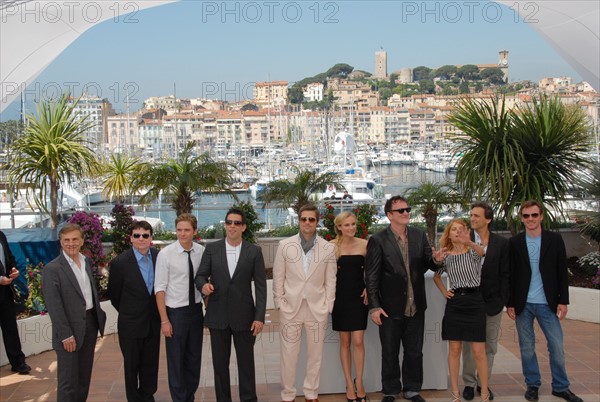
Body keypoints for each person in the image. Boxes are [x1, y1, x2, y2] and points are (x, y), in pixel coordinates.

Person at [364, 195, 443, 402]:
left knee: (415, 351)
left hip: (416, 306)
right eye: (401, 211)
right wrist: (374, 307)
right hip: (389, 308)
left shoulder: (419, 235)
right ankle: (390, 390)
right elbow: (371, 276)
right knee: (389, 352)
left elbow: (429, 263)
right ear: (390, 215)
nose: (406, 213)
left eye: (407, 209)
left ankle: (412, 389)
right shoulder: (378, 240)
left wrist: (436, 260)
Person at [507, 201, 583, 402]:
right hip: (523, 304)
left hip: (547, 303)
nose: (530, 219)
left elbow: (561, 271)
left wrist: (563, 301)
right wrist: (510, 303)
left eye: (533, 215)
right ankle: (532, 385)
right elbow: (510, 275)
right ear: (521, 218)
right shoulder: (515, 242)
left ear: (541, 216)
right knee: (526, 347)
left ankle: (561, 386)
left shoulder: (554, 240)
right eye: (526, 216)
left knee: (556, 345)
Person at [195, 207, 267, 402]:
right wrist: (204, 286)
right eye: (228, 222)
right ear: (225, 225)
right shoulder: (212, 249)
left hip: (245, 317)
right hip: (218, 316)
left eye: (236, 223)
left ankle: (249, 399)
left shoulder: (254, 251)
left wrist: (259, 317)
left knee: (246, 365)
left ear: (243, 227)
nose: (232, 226)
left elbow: (261, 287)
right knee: (220, 366)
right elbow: (200, 275)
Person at [273, 203, 337, 402]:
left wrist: (328, 305)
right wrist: (280, 303)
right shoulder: (285, 245)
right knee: (288, 356)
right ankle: (288, 395)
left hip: (317, 309)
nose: (307, 223)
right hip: (290, 309)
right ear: (299, 221)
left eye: (311, 219)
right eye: (304, 219)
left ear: (317, 222)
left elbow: (331, 280)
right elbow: (278, 277)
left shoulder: (328, 248)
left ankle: (311, 394)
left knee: (315, 356)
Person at [42, 223, 107, 402]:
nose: (71, 243)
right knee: (68, 381)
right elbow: (54, 305)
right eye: (66, 240)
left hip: (89, 324)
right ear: (61, 242)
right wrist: (65, 334)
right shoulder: (52, 269)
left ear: (82, 241)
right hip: (68, 330)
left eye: (74, 239)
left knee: (83, 378)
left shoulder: (86, 261)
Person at [433, 219, 489, 402]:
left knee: (479, 351)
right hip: (455, 303)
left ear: (466, 231)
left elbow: (482, 253)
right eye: (454, 229)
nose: (457, 232)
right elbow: (436, 276)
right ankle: (455, 393)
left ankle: (485, 393)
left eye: (461, 229)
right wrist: (444, 292)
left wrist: (470, 242)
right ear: (448, 234)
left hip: (475, 302)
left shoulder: (472, 250)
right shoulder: (446, 255)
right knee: (454, 350)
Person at [462, 202, 509, 402]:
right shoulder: (463, 239)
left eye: (477, 216)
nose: (472, 219)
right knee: (468, 346)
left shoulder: (501, 243)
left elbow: (506, 274)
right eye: (471, 215)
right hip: (469, 302)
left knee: (489, 346)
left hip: (492, 303)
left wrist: (503, 300)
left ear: (488, 219)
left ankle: (484, 383)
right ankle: (469, 384)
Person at [154, 213, 205, 402]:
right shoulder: (165, 254)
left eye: (186, 230)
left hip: (196, 311)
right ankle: (179, 399)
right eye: (179, 230)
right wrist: (164, 320)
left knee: (194, 360)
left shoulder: (201, 251)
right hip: (175, 313)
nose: (182, 234)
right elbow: (159, 288)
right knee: (176, 362)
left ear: (195, 231)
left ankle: (189, 396)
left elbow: (205, 280)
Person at [108, 220, 160, 402]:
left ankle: (147, 395)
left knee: (150, 364)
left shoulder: (158, 256)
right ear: (131, 238)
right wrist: (130, 311)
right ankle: (134, 398)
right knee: (132, 366)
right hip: (130, 324)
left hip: (153, 322)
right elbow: (114, 295)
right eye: (137, 235)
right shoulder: (119, 263)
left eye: (145, 235)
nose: (141, 239)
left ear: (151, 238)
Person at [330, 211, 368, 402]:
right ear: (339, 227)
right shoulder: (331, 247)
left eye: (353, 224)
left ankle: (359, 382)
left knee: (359, 341)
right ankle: (348, 383)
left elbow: (374, 270)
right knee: (344, 342)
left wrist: (370, 287)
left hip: (359, 298)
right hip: (339, 300)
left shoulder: (365, 244)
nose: (351, 228)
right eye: (347, 225)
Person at [0, 229, 31, 375]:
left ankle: (18, 362)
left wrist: (13, 269)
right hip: (2, 284)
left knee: (10, 328)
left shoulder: (1, 235)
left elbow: (8, 257)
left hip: (5, 292)